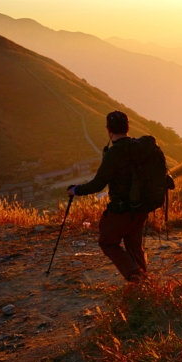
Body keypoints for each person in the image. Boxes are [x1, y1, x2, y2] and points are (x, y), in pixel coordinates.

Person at [67, 111, 149, 282]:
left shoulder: (114, 153)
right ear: (128, 127)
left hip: (122, 208)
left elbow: (98, 184)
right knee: (134, 245)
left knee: (108, 242)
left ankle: (137, 278)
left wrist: (75, 190)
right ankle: (145, 284)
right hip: (142, 206)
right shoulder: (138, 147)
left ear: (108, 130)